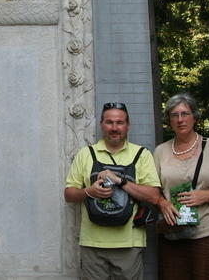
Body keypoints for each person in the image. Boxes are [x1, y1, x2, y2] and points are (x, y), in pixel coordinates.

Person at [64, 102, 161, 280]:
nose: (114, 128)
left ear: (128, 125)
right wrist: (89, 192)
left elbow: (154, 196)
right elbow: (69, 194)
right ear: (101, 124)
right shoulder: (86, 154)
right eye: (109, 122)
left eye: (120, 122)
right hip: (92, 244)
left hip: (129, 244)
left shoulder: (141, 154)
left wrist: (121, 181)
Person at [153, 93, 209, 280]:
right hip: (173, 233)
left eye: (185, 114)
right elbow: (153, 189)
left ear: (194, 117)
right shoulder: (160, 151)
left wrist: (208, 196)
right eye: (174, 115)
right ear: (169, 120)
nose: (180, 119)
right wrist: (163, 203)